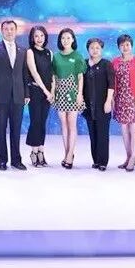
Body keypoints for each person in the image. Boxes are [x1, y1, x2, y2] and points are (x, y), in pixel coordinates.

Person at [0, 20, 30, 171]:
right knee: (1, 129)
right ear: (2, 31)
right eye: (6, 29)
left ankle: (16, 160)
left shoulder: (22, 50)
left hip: (18, 95)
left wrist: (26, 93)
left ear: (16, 31)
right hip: (0, 95)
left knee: (16, 130)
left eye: (12, 29)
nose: (9, 31)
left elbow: (24, 73)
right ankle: (2, 160)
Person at [112, 34, 135, 172]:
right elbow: (112, 82)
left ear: (131, 46)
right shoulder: (115, 62)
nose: (125, 47)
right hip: (120, 99)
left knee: (133, 129)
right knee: (124, 129)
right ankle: (127, 157)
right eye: (122, 45)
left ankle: (133, 158)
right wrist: (113, 99)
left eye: (127, 44)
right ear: (118, 47)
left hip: (134, 100)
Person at [52, 28, 86, 169]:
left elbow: (80, 77)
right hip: (60, 94)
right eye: (63, 38)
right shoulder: (56, 56)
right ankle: (67, 153)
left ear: (73, 39)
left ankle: (70, 155)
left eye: (68, 38)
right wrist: (53, 92)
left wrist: (80, 94)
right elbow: (54, 77)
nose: (65, 40)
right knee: (64, 125)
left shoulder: (77, 56)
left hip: (73, 93)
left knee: (72, 124)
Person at [82, 37, 114, 171]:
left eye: (97, 48)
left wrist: (108, 101)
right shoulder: (84, 64)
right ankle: (95, 160)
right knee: (92, 133)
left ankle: (103, 162)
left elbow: (111, 84)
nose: (94, 50)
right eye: (92, 48)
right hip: (89, 105)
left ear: (101, 49)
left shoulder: (107, 64)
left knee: (102, 133)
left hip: (102, 104)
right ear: (88, 49)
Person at [25, 25, 54, 168]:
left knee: (43, 122)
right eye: (36, 36)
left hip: (48, 93)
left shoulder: (49, 52)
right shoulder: (30, 52)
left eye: (42, 35)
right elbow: (35, 73)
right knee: (35, 121)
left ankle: (41, 151)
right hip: (36, 91)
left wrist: (52, 91)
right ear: (32, 38)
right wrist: (45, 91)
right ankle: (34, 152)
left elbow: (52, 73)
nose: (39, 38)